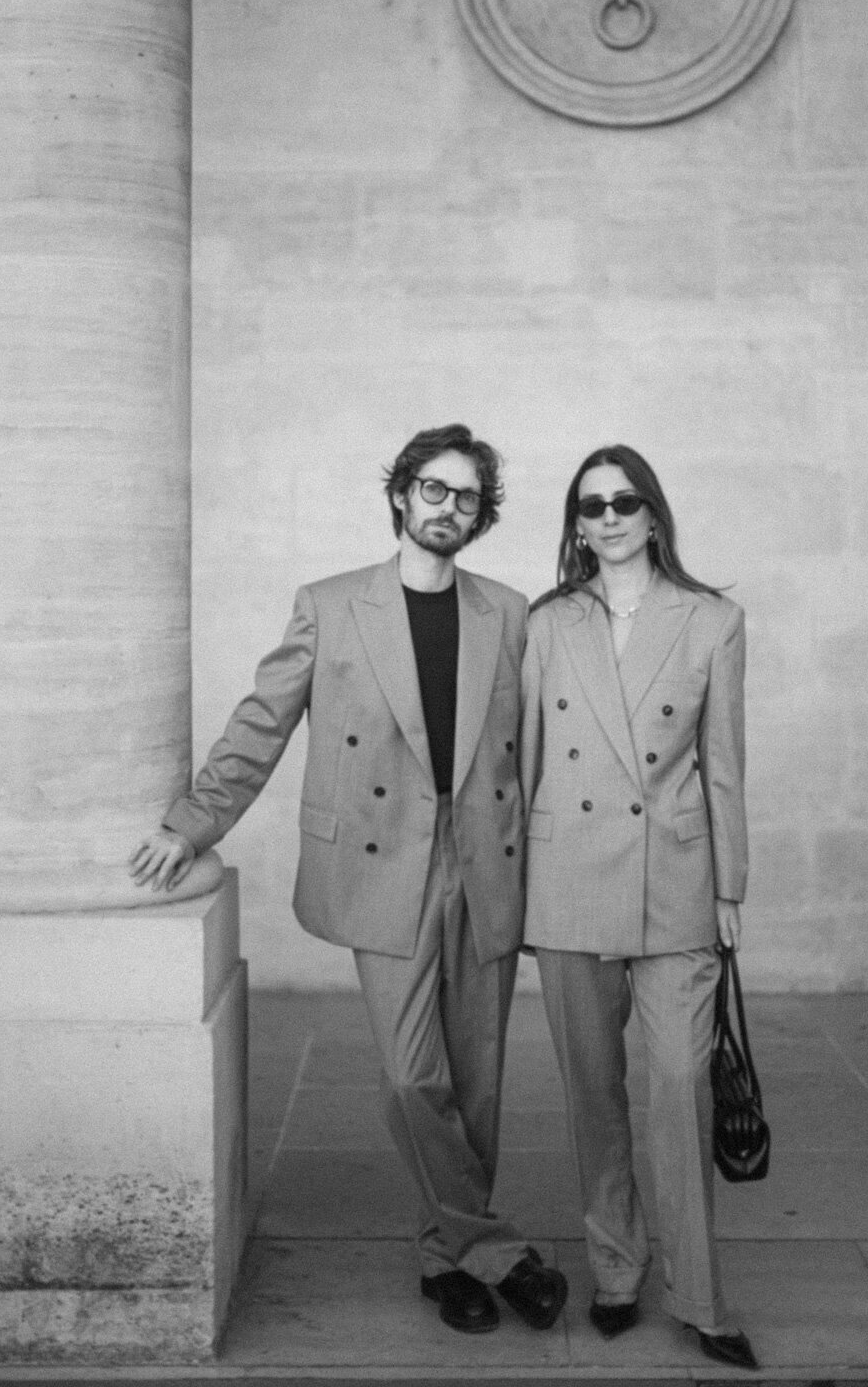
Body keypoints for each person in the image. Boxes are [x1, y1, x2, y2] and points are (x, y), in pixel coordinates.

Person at [129, 424, 567, 1336]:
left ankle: (444, 1259)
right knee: (416, 1077)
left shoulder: (511, 612)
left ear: (483, 516)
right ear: (403, 494)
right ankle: (496, 1249)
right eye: (434, 490)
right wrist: (193, 820)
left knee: (478, 1083)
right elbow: (263, 722)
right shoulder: (330, 605)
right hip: (383, 860)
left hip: (485, 860)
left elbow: (542, 751)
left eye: (468, 497)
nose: (450, 508)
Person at [519, 444, 757, 1371]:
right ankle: (617, 1271)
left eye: (624, 502)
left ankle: (700, 1297)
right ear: (577, 525)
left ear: (653, 514)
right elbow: (528, 759)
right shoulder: (549, 623)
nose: (608, 518)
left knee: (679, 1086)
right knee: (593, 1092)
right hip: (570, 879)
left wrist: (729, 884)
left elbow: (725, 765)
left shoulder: (712, 620)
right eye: (591, 507)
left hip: (674, 880)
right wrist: (517, 889)